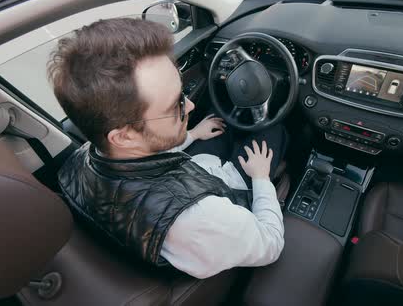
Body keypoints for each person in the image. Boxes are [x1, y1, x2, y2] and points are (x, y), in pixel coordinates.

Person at [49, 18, 287, 279]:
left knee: (219, 116)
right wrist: (261, 178)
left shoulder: (80, 160)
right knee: (273, 126)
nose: (191, 107)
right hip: (230, 194)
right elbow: (270, 243)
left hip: (191, 172)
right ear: (124, 137)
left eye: (182, 94)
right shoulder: (201, 220)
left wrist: (193, 134)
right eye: (176, 106)